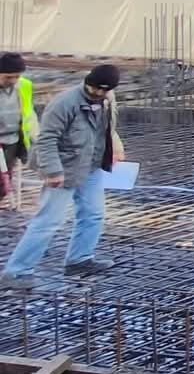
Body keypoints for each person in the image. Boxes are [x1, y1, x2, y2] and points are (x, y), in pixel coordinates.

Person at [1, 64, 122, 290]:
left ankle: (80, 260)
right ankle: (16, 273)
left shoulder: (108, 98)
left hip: (92, 165)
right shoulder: (65, 103)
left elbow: (107, 128)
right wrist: (53, 171)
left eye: (102, 90)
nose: (96, 93)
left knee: (93, 215)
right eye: (94, 88)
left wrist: (115, 146)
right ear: (87, 81)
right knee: (48, 221)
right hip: (64, 166)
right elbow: (46, 139)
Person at [0, 54, 35, 204]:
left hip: (13, 141)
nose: (13, 81)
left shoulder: (24, 85)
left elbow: (29, 113)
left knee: (4, 183)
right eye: (8, 77)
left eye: (16, 76)